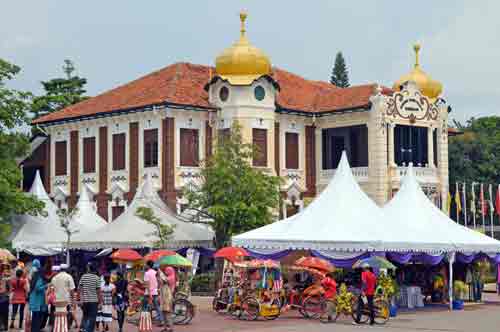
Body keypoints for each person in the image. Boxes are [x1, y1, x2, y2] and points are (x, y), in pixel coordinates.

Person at [50, 263, 75, 331]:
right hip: (66, 301)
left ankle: (55, 328)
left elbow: (51, 290)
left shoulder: (55, 277)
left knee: (56, 316)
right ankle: (65, 328)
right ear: (66, 269)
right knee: (66, 315)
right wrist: (73, 300)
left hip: (56, 301)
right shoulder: (69, 277)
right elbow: (72, 290)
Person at [79, 264, 101, 332]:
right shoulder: (97, 278)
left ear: (89, 269)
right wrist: (100, 302)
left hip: (85, 301)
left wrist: (81, 299)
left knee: (85, 316)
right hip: (94, 301)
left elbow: (80, 289)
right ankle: (88, 330)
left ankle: (83, 329)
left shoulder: (83, 277)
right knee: (92, 318)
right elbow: (98, 292)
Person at [144, 261, 164, 325]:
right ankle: (161, 320)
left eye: (146, 265)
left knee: (146, 307)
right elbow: (160, 282)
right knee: (157, 307)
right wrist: (157, 289)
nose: (145, 266)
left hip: (148, 293)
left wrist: (150, 294)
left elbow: (147, 285)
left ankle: (147, 321)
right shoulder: (155, 273)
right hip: (155, 292)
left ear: (148, 265)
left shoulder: (147, 273)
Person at [29, 265, 48, 332]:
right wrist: (46, 285)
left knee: (34, 319)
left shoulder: (35, 278)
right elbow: (38, 288)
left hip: (34, 302)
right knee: (37, 319)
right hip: (38, 302)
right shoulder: (39, 278)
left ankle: (34, 330)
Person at [158, 266, 176, 332]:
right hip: (164, 297)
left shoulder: (171, 277)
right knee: (164, 312)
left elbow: (164, 280)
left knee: (167, 313)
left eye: (167, 270)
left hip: (167, 297)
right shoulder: (169, 277)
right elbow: (162, 281)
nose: (166, 271)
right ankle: (165, 327)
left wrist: (160, 272)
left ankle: (170, 328)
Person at [0, 263, 10, 332]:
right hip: (4, 297)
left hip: (4, 297)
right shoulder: (6, 277)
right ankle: (4, 326)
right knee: (4, 312)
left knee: (3, 312)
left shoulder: (6, 277)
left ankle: (3, 326)